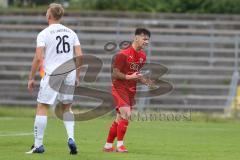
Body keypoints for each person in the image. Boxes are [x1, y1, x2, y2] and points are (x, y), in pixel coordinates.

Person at [26, 3, 83, 155]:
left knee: (42, 106)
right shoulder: (71, 33)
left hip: (53, 73)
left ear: (49, 15)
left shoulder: (44, 34)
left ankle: (38, 145)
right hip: (69, 72)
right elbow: (80, 56)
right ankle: (71, 138)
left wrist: (32, 77)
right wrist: (77, 76)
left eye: (46, 12)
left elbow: (39, 58)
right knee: (66, 108)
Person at [103, 28, 151, 152]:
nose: (147, 42)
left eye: (148, 40)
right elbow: (115, 74)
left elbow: (134, 74)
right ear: (136, 38)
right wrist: (130, 77)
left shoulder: (143, 56)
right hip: (119, 87)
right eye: (144, 39)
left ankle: (108, 146)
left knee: (119, 118)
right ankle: (120, 146)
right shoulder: (122, 54)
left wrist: (144, 80)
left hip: (131, 90)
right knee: (126, 114)